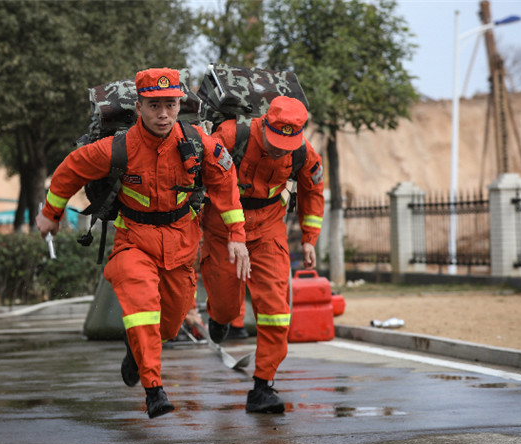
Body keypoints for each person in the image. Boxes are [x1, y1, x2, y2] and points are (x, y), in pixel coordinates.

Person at [36, 67, 249, 419]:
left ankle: (135, 350)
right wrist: (50, 213)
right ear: (139, 107)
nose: (163, 114)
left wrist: (237, 237)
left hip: (181, 243)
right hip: (134, 241)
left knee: (168, 325)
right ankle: (154, 389)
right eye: (154, 106)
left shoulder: (199, 143)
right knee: (142, 307)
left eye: (170, 104)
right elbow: (70, 169)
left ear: (179, 105)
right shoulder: (118, 148)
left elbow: (225, 182)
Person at [200, 96, 325, 413]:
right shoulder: (232, 135)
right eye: (276, 142)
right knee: (227, 305)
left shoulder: (302, 151)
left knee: (276, 310)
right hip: (223, 229)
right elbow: (203, 174)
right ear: (265, 123)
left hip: (268, 229)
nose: (281, 150)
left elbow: (313, 189)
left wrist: (309, 239)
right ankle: (219, 317)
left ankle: (263, 386)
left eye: (288, 145)